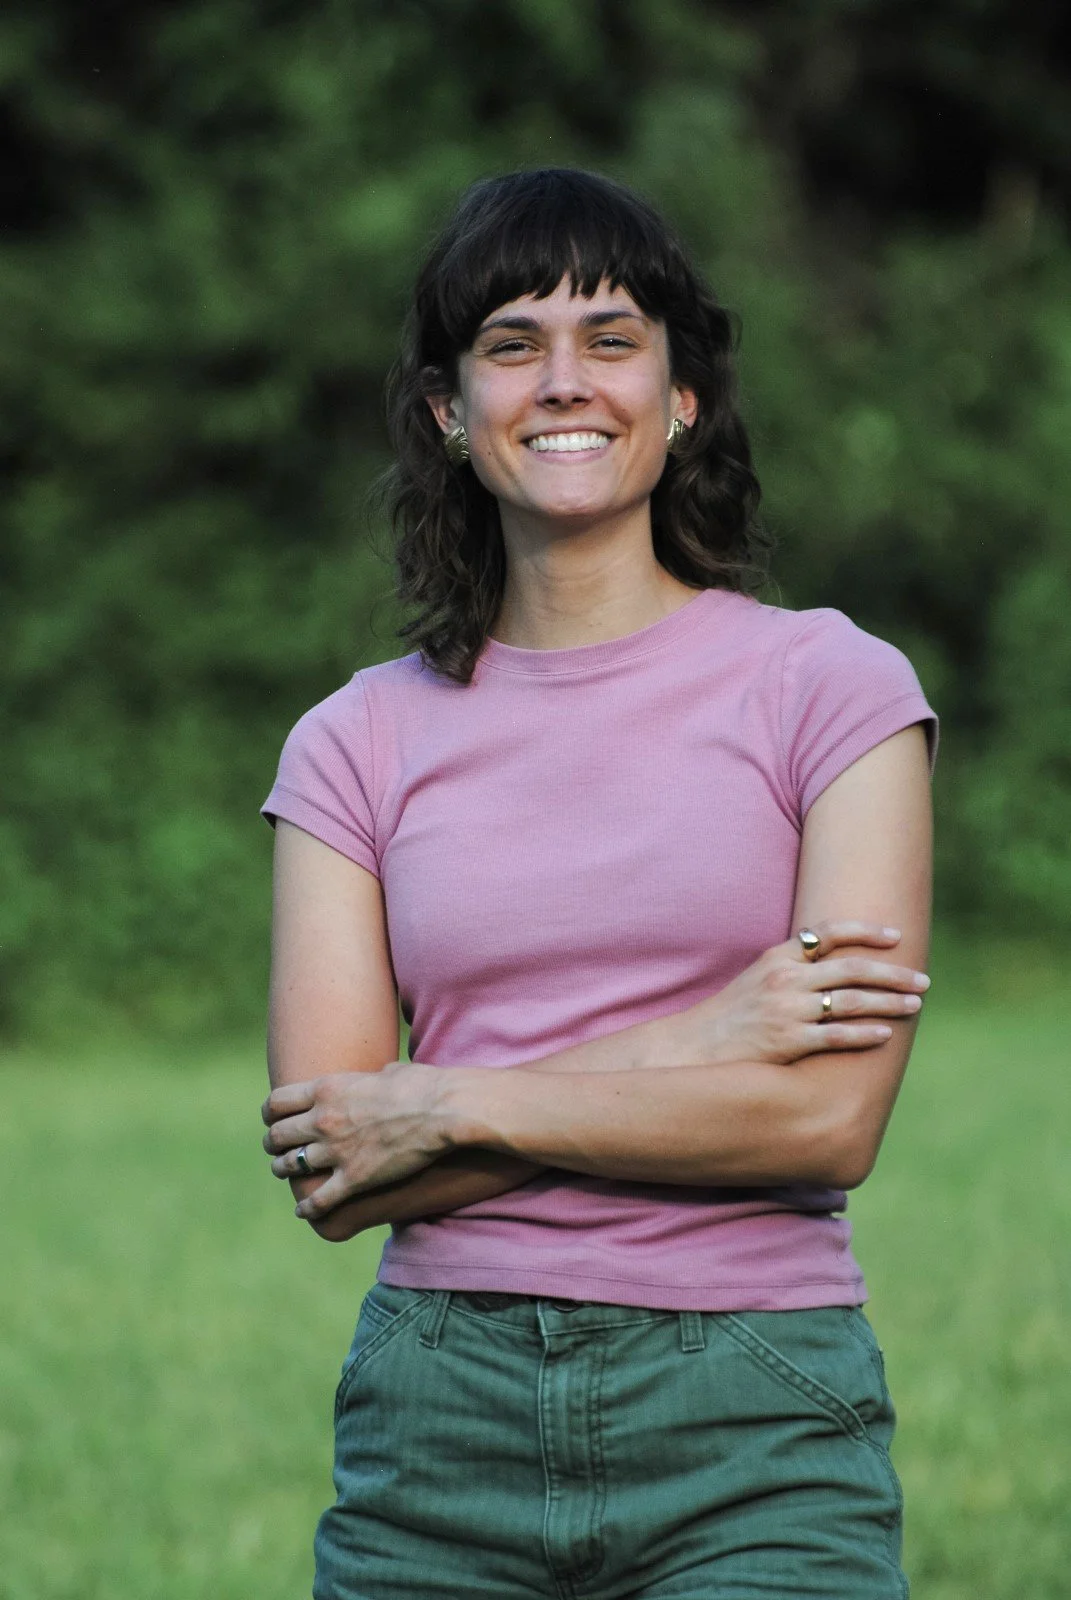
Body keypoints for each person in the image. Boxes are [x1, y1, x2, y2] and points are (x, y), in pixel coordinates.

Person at [260, 168, 937, 1599]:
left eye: (612, 338)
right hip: (434, 1427)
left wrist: (446, 1097)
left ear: (680, 396)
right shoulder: (352, 743)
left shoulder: (829, 689)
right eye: (512, 344)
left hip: (753, 1416)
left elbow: (824, 1122)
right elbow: (334, 1162)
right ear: (449, 410)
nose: (564, 381)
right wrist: (697, 1044)